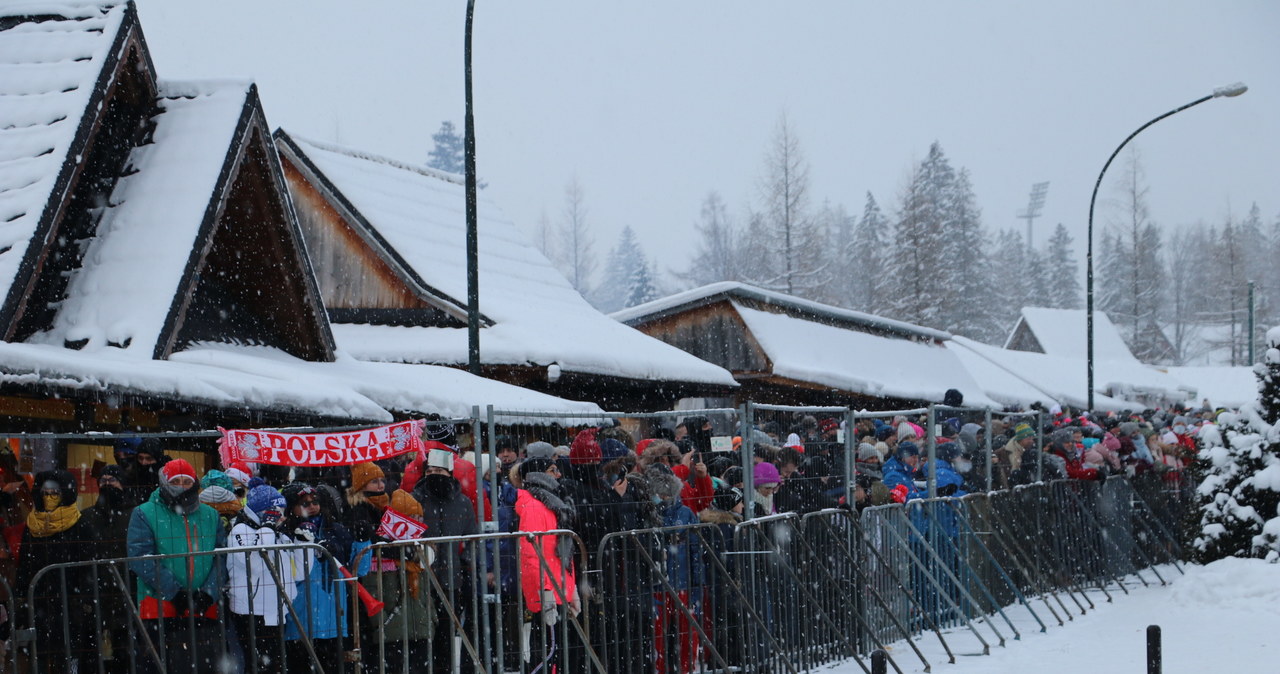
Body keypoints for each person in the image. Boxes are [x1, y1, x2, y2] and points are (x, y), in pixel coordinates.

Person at [127, 458, 227, 673]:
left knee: (203, 665)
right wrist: (175, 592)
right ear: (164, 482)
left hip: (203, 606)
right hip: (159, 605)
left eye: (186, 481)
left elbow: (223, 557)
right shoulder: (144, 513)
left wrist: (209, 593)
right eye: (176, 481)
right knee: (161, 664)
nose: (181, 486)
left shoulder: (211, 515)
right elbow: (141, 557)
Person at [281, 482, 370, 674]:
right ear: (291, 508)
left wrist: (362, 542)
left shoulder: (336, 530)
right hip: (300, 621)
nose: (312, 506)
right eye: (304, 504)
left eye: (315, 502)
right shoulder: (284, 535)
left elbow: (358, 571)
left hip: (333, 621)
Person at [16, 470, 100, 670]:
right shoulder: (32, 524)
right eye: (45, 493)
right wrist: (20, 594)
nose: (49, 497)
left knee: (70, 655)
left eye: (55, 492)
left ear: (65, 493)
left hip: (70, 601)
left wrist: (84, 598)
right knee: (40, 656)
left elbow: (87, 565)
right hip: (39, 601)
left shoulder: (80, 524)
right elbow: (24, 564)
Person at [226, 484, 308, 674]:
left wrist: (305, 544)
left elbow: (299, 573)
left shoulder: (276, 532)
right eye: (275, 511)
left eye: (282, 511)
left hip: (276, 609)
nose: (280, 516)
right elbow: (256, 564)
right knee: (258, 664)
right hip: (252, 611)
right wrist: (267, 528)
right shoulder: (241, 530)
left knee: (275, 664)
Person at [411, 448, 479, 672]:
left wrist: (465, 563)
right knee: (421, 634)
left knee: (447, 633)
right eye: (429, 470)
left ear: (450, 473)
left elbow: (471, 538)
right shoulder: (414, 499)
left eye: (439, 470)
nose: (434, 474)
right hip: (420, 579)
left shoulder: (463, 503)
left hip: (452, 578)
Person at [514, 460, 579, 672]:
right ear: (538, 474)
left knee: (555, 654)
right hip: (549, 591)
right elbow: (531, 555)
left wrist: (572, 589)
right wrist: (546, 591)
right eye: (552, 470)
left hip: (558, 589)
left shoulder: (552, 503)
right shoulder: (534, 506)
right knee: (546, 654)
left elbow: (563, 553)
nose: (558, 475)